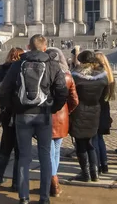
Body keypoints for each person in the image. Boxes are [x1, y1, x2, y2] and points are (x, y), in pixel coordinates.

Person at [0, 34, 68, 204]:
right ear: (45, 48)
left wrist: (14, 108)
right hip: (43, 114)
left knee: (24, 157)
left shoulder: (18, 64)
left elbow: (4, 89)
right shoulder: (52, 64)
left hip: (22, 115)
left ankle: (24, 197)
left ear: (29, 47)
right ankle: (44, 198)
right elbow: (62, 91)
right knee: (45, 156)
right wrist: (53, 108)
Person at [70, 50, 109, 183]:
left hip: (79, 111)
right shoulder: (103, 76)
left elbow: (71, 95)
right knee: (91, 143)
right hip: (95, 110)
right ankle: (95, 173)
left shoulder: (76, 76)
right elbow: (104, 95)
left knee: (81, 144)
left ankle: (85, 173)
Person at [47, 47, 79, 197]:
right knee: (56, 150)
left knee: (49, 151)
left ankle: (53, 180)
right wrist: (66, 111)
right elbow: (74, 100)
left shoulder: (44, 74)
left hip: (47, 117)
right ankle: (53, 178)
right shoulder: (68, 76)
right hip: (61, 117)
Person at [0, 47, 25, 190]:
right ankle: (16, 183)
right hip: (19, 113)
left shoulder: (1, 69)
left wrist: (3, 108)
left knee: (5, 148)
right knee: (19, 150)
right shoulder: (23, 69)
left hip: (6, 112)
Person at [93, 52, 115, 175]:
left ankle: (97, 164)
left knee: (95, 138)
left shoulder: (98, 75)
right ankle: (104, 164)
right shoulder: (109, 74)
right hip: (105, 108)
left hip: (97, 108)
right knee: (100, 138)